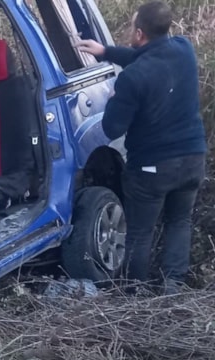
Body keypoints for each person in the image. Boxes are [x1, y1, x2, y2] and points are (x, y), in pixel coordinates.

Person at [74, 1, 208, 294]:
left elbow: (112, 129)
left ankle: (136, 291)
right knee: (179, 221)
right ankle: (173, 285)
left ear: (138, 33)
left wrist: (112, 101)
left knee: (139, 231)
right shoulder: (183, 50)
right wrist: (105, 51)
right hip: (193, 158)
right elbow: (145, 57)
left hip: (153, 167)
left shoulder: (132, 79)